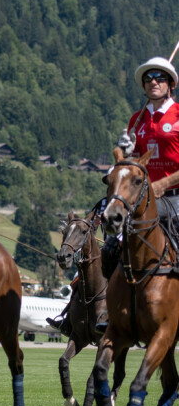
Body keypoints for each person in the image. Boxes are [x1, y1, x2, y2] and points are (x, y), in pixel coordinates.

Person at [50, 56, 179, 334]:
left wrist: (164, 183)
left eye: (159, 77)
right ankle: (110, 308)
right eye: (148, 78)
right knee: (110, 245)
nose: (153, 81)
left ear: (171, 84)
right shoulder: (137, 120)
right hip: (141, 200)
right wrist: (123, 158)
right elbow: (130, 163)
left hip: (175, 196)